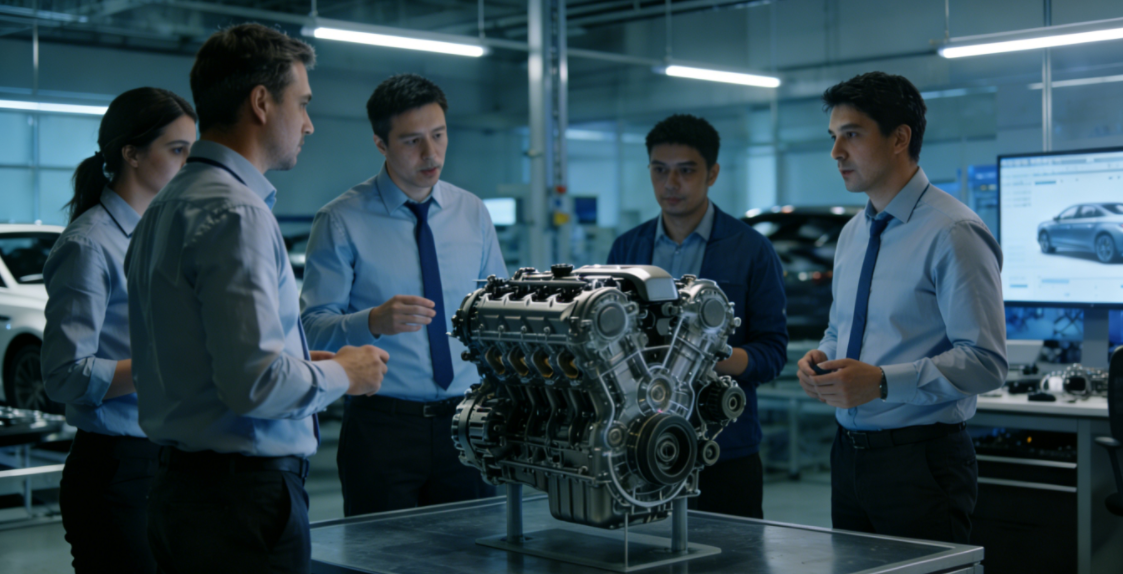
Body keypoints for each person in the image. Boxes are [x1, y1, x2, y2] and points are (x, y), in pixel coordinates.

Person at [124, 24, 387, 573]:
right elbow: (256, 385)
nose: (309, 123)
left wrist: (299, 362)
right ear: (262, 103)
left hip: (181, 495)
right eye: (303, 103)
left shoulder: (166, 207)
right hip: (241, 507)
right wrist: (345, 373)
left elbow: (199, 358)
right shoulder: (237, 213)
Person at [796, 72, 1006, 544]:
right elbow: (840, 329)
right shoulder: (852, 233)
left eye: (851, 135)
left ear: (899, 139)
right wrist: (821, 358)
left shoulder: (954, 232)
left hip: (921, 463)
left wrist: (882, 382)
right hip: (848, 456)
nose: (836, 153)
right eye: (833, 137)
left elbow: (986, 362)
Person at [301, 73, 505, 516]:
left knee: (471, 549)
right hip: (382, 428)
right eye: (412, 141)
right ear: (381, 143)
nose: (431, 153)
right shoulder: (340, 221)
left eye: (439, 135)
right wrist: (372, 321)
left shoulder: (472, 212)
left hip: (467, 423)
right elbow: (311, 329)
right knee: (381, 550)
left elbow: (496, 314)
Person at [42, 87, 196, 574]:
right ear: (131, 154)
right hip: (116, 472)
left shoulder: (163, 233)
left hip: (168, 457)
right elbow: (64, 375)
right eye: (177, 150)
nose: (189, 164)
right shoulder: (90, 244)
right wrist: (165, 364)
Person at [607, 114, 788, 519]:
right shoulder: (627, 249)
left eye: (686, 171)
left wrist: (705, 358)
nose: (671, 184)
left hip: (723, 447)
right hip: (638, 447)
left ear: (712, 174)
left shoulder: (750, 250)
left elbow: (772, 352)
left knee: (732, 552)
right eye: (660, 170)